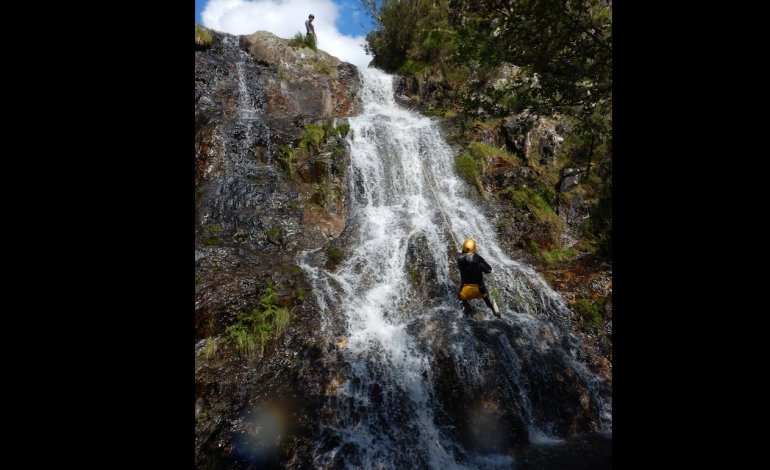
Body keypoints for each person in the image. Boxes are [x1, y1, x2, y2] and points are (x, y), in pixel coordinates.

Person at [456, 238, 500, 318]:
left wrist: (460, 252)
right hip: (480, 290)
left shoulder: (459, 259)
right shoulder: (478, 259)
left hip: (465, 292)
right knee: (487, 297)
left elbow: (461, 255)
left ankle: (467, 310)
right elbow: (489, 270)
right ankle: (497, 314)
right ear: (474, 248)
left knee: (459, 297)